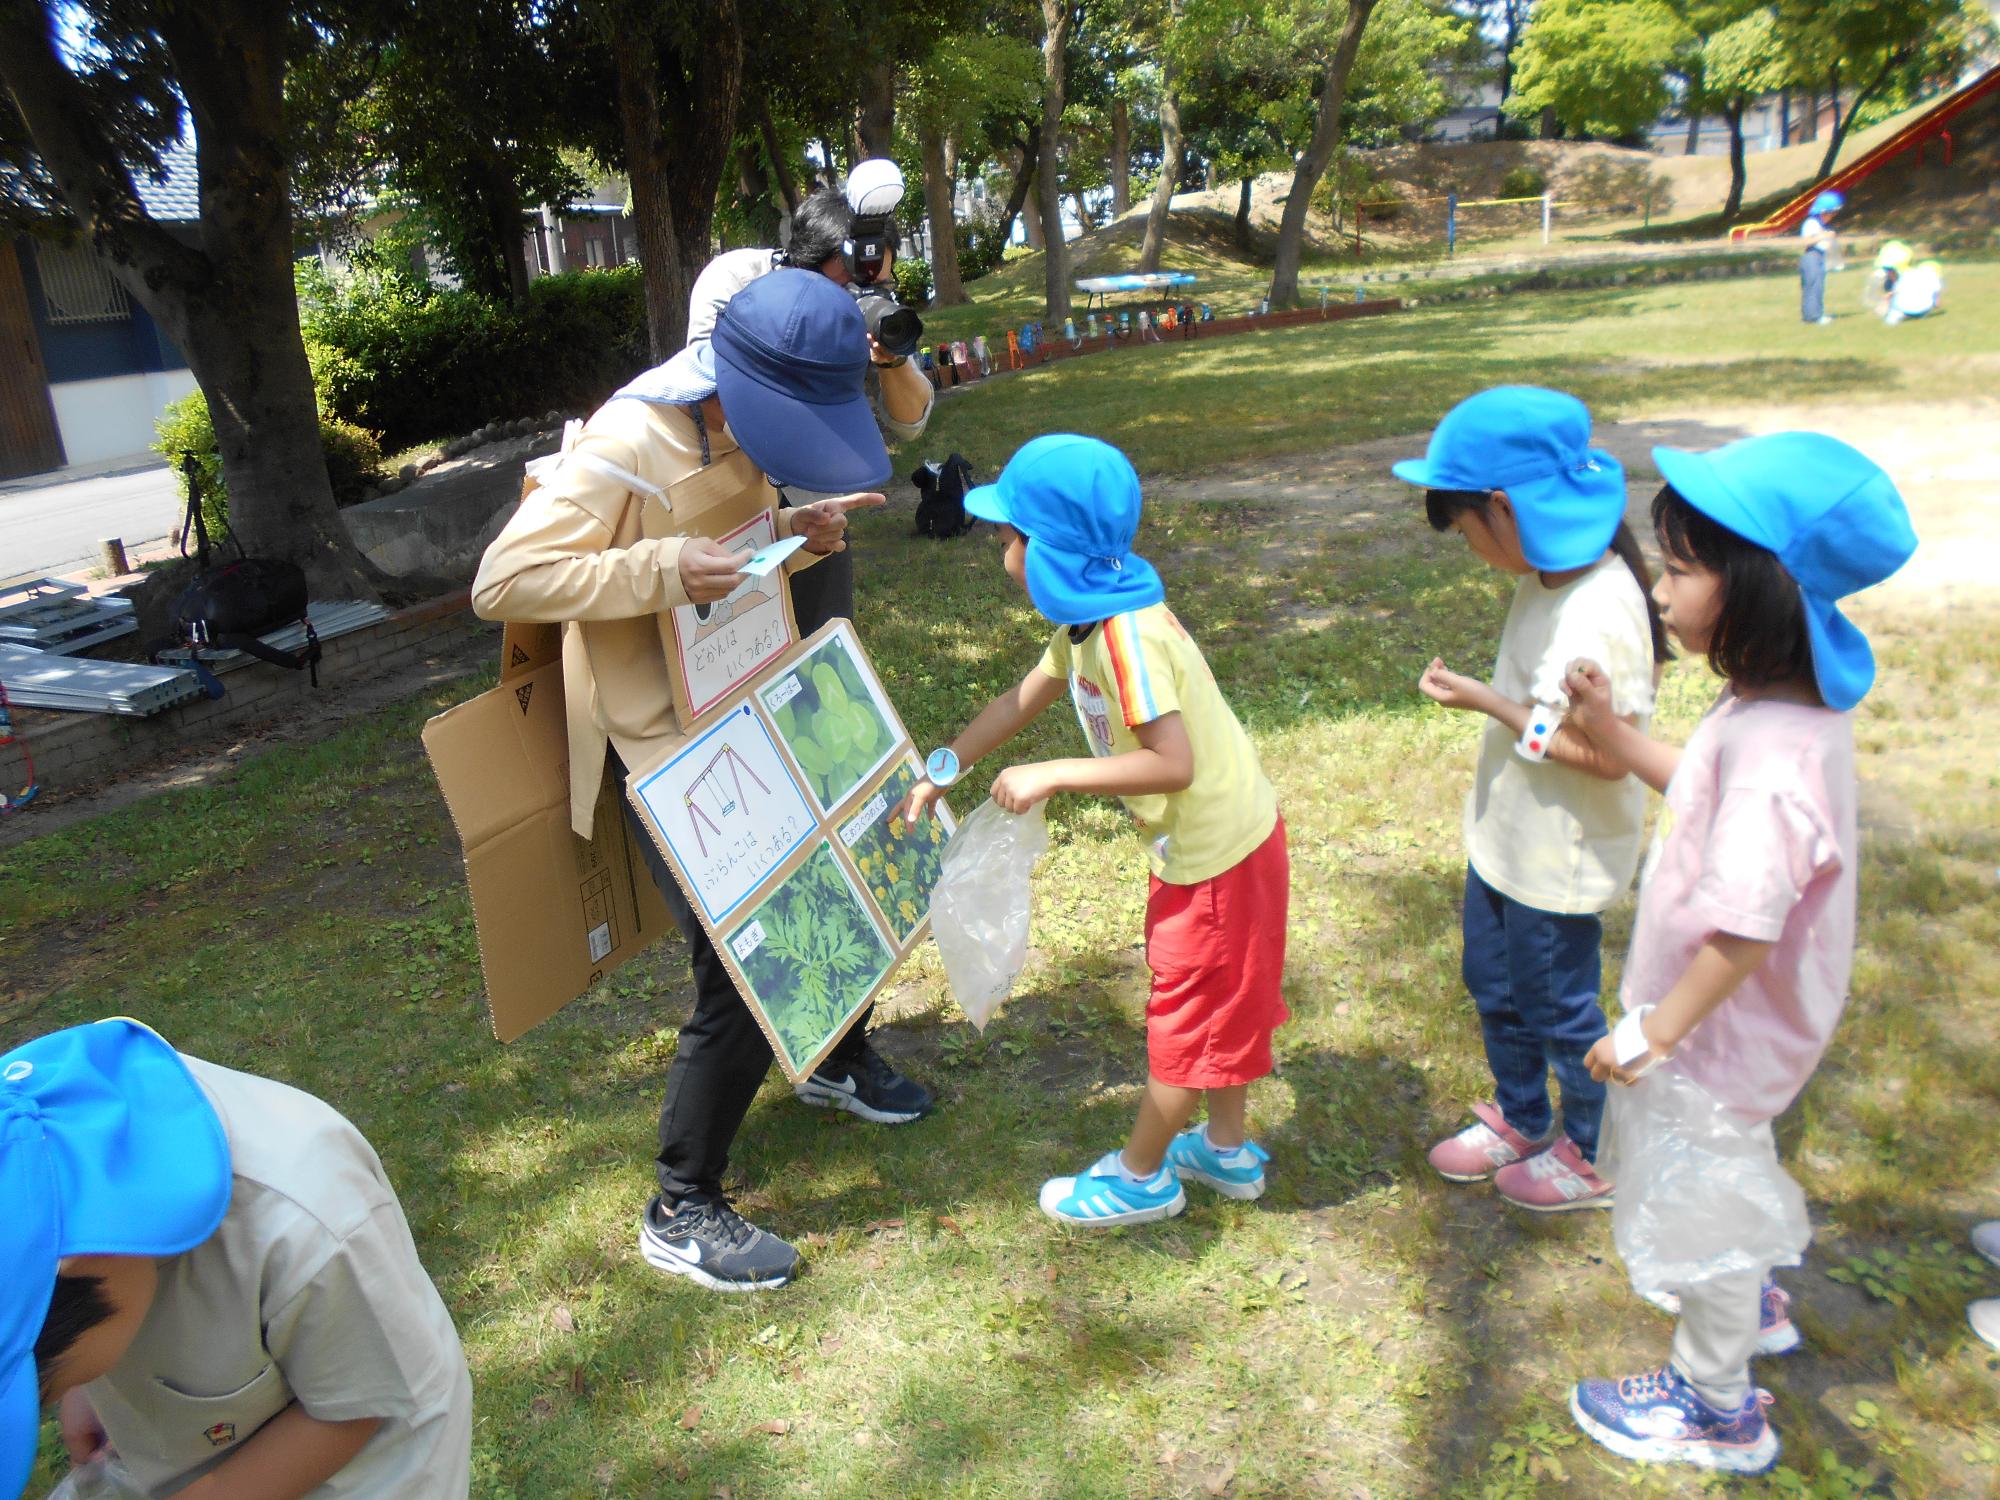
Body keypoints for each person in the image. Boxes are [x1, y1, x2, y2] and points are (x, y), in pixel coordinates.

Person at [473, 270, 928, 1293]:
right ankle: (682, 1204)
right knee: (741, 956)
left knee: (840, 867)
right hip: (663, 739)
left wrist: (791, 535)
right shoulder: (624, 446)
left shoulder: (735, 428)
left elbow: (733, 534)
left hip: (752, 689)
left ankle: (832, 1054)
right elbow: (502, 579)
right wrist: (662, 570)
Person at [1561, 432, 1916, 1475]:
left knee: (1705, 1206)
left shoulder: (1771, 756)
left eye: (1677, 567)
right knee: (1732, 1170)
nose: (1658, 587)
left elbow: (1745, 926)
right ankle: (1749, 1297)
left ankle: (1715, 1403)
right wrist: (1614, 736)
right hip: (1732, 1039)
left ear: (1755, 588)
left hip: (1710, 1039)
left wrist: (1651, 1034)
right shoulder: (1771, 709)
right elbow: (1703, 785)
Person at [902, 435, 1290, 1227]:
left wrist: (1054, 774)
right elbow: (1021, 699)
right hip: (1218, 849)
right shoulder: (1089, 625)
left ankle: (1142, 1177)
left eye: (1010, 537)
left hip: (1215, 860)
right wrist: (946, 765)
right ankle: (1225, 1150)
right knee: (1218, 1000)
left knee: (1185, 1015)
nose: (1001, 550)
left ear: (1049, 550)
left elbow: (1171, 762)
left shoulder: (1128, 638)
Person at [1392, 387, 1669, 1213]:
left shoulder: (1601, 610)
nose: (1471, 548)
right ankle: (1522, 1116)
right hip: (1509, 841)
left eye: (1467, 529)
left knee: (1558, 1005)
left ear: (1505, 510)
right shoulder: (1550, 575)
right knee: (1496, 984)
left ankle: (1594, 1146)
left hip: (1561, 853)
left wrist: (1491, 704)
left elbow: (1606, 760)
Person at [2, 1019, 472, 1500]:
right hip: (205, 1436)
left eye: (43, 1388)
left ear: (85, 1260)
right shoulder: (56, 1163)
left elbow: (353, 1411)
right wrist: (86, 1388)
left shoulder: (309, 1225)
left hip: (365, 1460)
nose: (49, 1399)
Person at [683, 177, 935, 633]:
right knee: (734, 642)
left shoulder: (873, 309)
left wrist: (892, 361)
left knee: (822, 642)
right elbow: (715, 401)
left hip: (816, 505)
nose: (861, 300)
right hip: (734, 499)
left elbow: (910, 424)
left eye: (877, 284)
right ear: (802, 264)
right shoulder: (735, 280)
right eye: (848, 286)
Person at [1799, 189, 1842, 326]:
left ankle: (1813, 314)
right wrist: (1824, 236)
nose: (1833, 216)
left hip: (1819, 256)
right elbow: (1806, 241)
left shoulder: (1820, 224)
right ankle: (1814, 316)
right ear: (1824, 211)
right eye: (1832, 213)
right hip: (1812, 256)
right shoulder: (1811, 223)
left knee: (1817, 286)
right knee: (1813, 286)